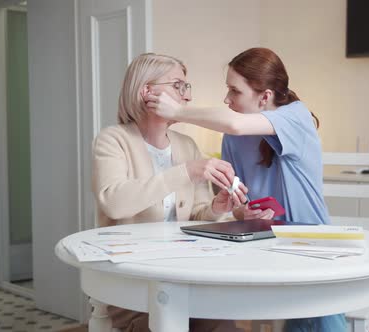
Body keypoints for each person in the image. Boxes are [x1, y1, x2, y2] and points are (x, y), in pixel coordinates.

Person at [147, 47, 346, 332]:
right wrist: (243, 210)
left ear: (264, 97)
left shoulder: (296, 116)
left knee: (317, 317)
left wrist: (178, 111)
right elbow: (238, 204)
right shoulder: (232, 137)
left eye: (234, 91)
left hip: (310, 246)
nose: (227, 99)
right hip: (260, 247)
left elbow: (236, 124)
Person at [92, 52, 246, 332]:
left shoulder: (186, 145)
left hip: (185, 278)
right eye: (178, 86)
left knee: (225, 326)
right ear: (146, 91)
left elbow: (197, 215)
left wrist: (217, 207)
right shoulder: (113, 140)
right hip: (135, 286)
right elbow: (114, 202)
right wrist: (186, 171)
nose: (187, 97)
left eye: (187, 87)